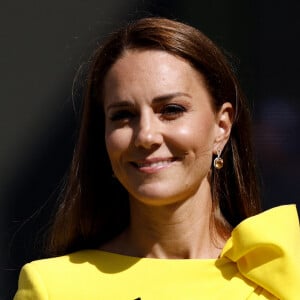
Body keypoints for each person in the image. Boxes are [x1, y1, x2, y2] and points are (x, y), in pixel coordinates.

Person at [14, 16, 300, 299]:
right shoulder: (55, 287)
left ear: (222, 127)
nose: (146, 136)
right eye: (123, 115)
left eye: (171, 109)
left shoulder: (283, 268)